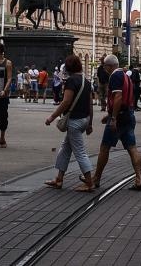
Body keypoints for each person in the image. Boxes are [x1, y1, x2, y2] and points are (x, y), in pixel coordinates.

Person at [91, 53, 141, 192]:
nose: (104, 69)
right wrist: (109, 114)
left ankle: (96, 178)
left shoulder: (115, 76)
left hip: (119, 117)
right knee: (132, 147)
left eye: (104, 66)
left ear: (108, 66)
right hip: (129, 114)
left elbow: (118, 97)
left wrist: (113, 118)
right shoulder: (126, 76)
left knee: (105, 147)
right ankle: (139, 179)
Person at [42, 53, 95, 191]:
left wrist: (52, 117)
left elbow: (65, 102)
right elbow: (90, 104)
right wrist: (90, 124)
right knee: (65, 150)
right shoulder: (86, 81)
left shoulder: (71, 81)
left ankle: (89, 182)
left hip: (74, 121)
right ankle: (59, 179)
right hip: (84, 119)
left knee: (80, 152)